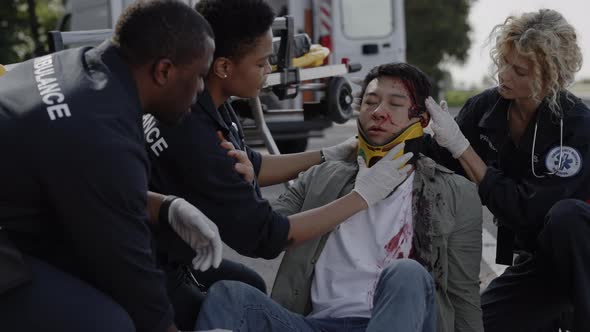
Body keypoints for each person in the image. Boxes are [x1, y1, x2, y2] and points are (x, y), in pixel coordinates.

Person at [146, 0, 400, 328]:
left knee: (249, 284)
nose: (269, 71)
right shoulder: (197, 139)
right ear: (223, 66)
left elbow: (253, 164)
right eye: (263, 63)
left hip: (167, 247)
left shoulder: (202, 98)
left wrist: (329, 153)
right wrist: (361, 198)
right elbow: (269, 237)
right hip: (149, 268)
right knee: (233, 308)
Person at [195, 63, 484, 332]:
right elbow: (264, 231)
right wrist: (243, 185)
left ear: (422, 120)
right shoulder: (321, 175)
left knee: (407, 273)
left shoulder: (455, 192)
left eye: (395, 104)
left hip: (395, 321)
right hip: (317, 324)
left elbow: (463, 296)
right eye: (370, 102)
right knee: (230, 294)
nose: (379, 112)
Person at [0, 1, 221, 331]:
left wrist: (164, 207)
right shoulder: (102, 131)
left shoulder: (75, 67)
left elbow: (81, 178)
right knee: (110, 323)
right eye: (201, 76)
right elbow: (129, 272)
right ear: (163, 71)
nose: (202, 88)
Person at [423, 9, 590, 331]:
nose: (504, 75)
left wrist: (464, 150)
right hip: (540, 263)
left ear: (551, 75)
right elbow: (441, 163)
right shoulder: (484, 109)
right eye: (503, 63)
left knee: (568, 217)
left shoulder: (578, 128)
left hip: (583, 259)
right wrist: (396, 130)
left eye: (520, 71)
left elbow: (530, 211)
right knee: (478, 325)